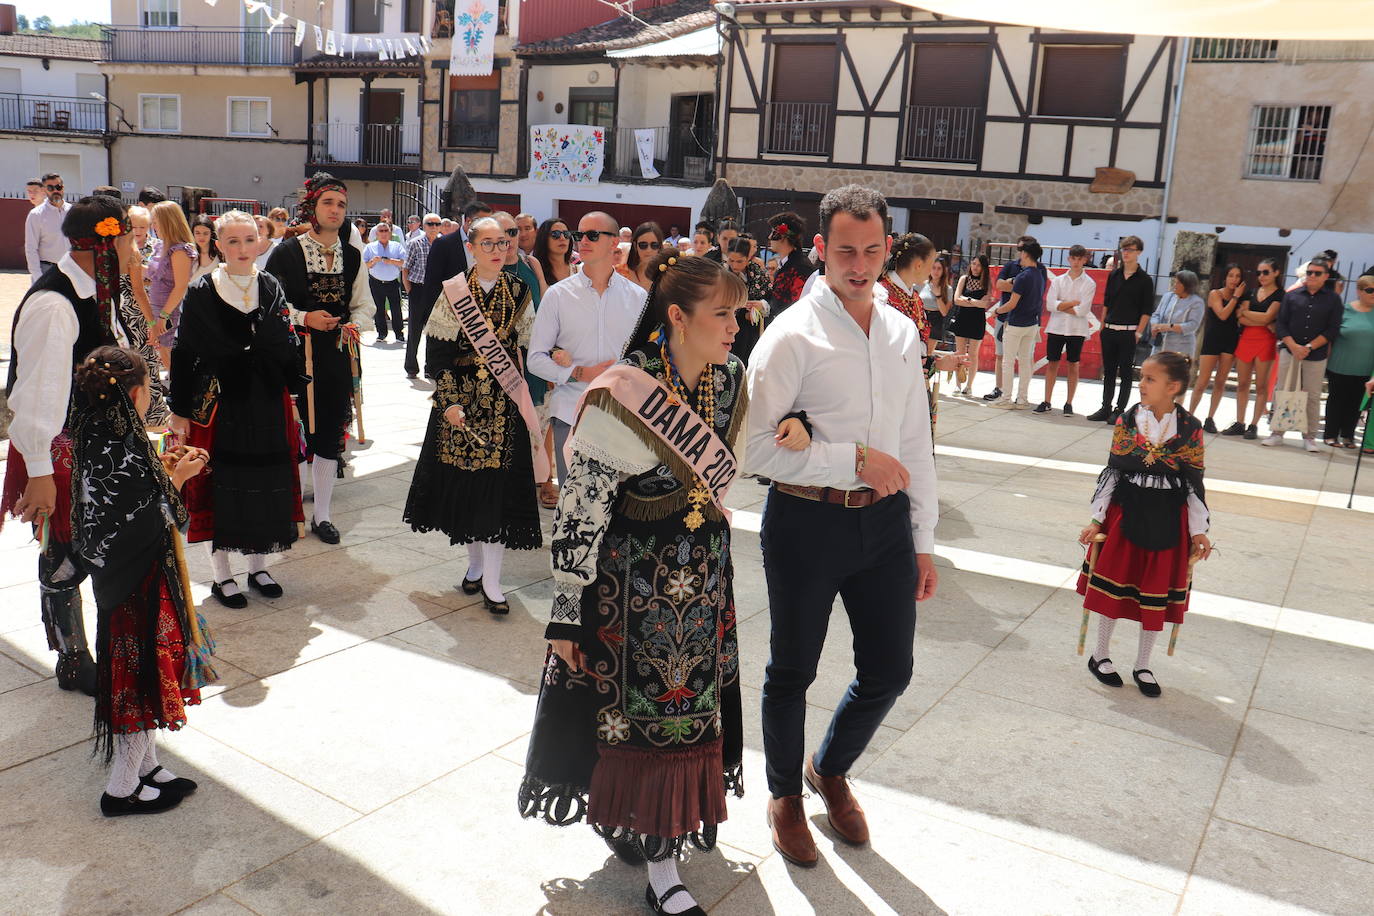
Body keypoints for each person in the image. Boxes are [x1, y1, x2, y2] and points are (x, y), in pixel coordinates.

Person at [522, 252, 775, 916]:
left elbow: (737, 470)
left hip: (703, 589)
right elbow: (581, 508)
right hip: (630, 596)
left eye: (737, 313)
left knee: (692, 721)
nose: (733, 326)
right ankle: (660, 862)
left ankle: (658, 836)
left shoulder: (732, 382)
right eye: (720, 314)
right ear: (676, 317)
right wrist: (567, 612)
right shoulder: (624, 390)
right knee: (634, 726)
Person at [747, 185, 939, 868]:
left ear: (889, 248)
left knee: (890, 669)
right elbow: (754, 449)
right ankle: (783, 797)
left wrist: (923, 540)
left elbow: (916, 442)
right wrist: (851, 458)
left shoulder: (900, 330)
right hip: (805, 522)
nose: (860, 265)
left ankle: (827, 768)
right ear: (822, 250)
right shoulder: (791, 334)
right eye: (846, 251)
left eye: (873, 250)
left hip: (885, 526)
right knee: (791, 670)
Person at [68, 346, 213, 816]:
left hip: (119, 575)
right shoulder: (122, 442)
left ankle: (147, 766)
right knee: (140, 674)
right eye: (147, 387)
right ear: (132, 394)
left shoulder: (95, 430)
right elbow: (152, 514)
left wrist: (166, 471)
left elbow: (126, 499)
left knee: (139, 668)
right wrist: (183, 477)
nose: (149, 394)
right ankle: (121, 787)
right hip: (138, 580)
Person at [3, 195, 136, 697]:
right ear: (109, 241)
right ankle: (73, 658)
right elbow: (36, 393)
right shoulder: (55, 303)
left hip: (94, 444)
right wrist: (39, 471)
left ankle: (96, 647)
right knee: (63, 554)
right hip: (59, 451)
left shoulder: (96, 292)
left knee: (95, 548)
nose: (135, 249)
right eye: (130, 238)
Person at [403, 217, 542, 612]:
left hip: (502, 404)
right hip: (460, 405)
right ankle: (475, 566)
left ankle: (494, 584)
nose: (498, 251)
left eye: (504, 242)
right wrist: (448, 402)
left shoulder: (519, 291)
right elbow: (438, 355)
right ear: (472, 248)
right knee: (467, 489)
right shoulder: (453, 292)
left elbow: (530, 346)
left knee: (496, 493)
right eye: (489, 244)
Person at [169, 210, 305, 606]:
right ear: (218, 244)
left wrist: (293, 387)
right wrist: (179, 408)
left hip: (265, 400)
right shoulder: (201, 289)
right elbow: (185, 351)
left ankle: (258, 566)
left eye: (249, 239)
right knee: (220, 485)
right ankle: (222, 574)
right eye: (232, 241)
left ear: (261, 242)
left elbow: (284, 341)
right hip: (219, 403)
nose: (242, 248)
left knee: (263, 484)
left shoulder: (271, 284)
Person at [1078, 351, 1211, 698]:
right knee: (1115, 586)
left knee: (1155, 593)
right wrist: (1096, 518)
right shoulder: (1127, 421)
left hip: (1169, 516)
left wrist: (1199, 530)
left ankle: (1143, 663)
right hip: (1128, 510)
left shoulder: (1190, 430)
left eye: (1150, 379)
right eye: (1143, 377)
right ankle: (1100, 654)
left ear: (1173, 387)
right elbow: (1112, 472)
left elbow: (1194, 483)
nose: (1142, 384)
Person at [265, 172, 374, 542]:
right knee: (291, 436)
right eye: (328, 202)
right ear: (312, 207)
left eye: (341, 204)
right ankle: (290, 511)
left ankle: (323, 515)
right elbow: (270, 306)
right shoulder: (285, 253)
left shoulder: (355, 257)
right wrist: (304, 318)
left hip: (336, 356)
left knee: (328, 436)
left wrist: (354, 326)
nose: (335, 210)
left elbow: (363, 306)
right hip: (292, 355)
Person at [528, 212, 643, 484]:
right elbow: (535, 359)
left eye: (593, 235)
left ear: (614, 242)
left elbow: (647, 360)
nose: (582, 241)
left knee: (618, 506)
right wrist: (580, 373)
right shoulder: (558, 295)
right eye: (579, 235)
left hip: (623, 415)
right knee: (573, 506)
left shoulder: (637, 297)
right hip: (571, 411)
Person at [1264, 258, 1344, 451]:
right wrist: (1293, 346)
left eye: (1317, 273)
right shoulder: (1292, 296)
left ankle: (1309, 436)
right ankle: (1277, 432)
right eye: (1309, 272)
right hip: (1290, 351)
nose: (1312, 276)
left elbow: (1332, 329)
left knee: (1312, 395)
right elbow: (1281, 324)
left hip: (1315, 354)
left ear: (1326, 276)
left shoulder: (1333, 299)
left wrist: (1308, 347)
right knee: (1283, 390)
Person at [415, 202, 489, 378]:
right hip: (450, 317)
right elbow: (432, 284)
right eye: (484, 221)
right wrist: (434, 318)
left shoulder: (489, 246)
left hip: (481, 319)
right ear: (470, 221)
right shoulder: (444, 244)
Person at [1088, 236, 1155, 423]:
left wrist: (1138, 333)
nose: (1126, 253)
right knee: (1108, 371)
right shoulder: (1114, 275)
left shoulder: (1145, 280)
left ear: (1139, 252)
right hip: (1109, 329)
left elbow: (1146, 310)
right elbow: (1107, 302)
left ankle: (1120, 410)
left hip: (1129, 331)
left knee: (1125, 372)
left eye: (1130, 250)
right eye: (1123, 250)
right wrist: (1102, 326)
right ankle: (1105, 407)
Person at [115, 205, 170, 427]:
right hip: (134, 315)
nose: (137, 231)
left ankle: (143, 415)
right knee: (143, 363)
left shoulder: (113, 249)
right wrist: (152, 323)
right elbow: (138, 290)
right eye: (133, 226)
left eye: (142, 226)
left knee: (141, 363)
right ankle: (147, 416)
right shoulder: (130, 252)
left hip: (128, 312)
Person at [1224, 258, 1284, 440]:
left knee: (1261, 386)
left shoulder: (1280, 294)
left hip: (1266, 341)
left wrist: (1246, 313)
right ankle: (1240, 422)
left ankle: (1254, 424)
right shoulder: (1251, 292)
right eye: (1258, 272)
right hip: (1247, 338)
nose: (1261, 276)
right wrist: (1254, 317)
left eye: (1266, 272)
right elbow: (1240, 319)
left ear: (1276, 273)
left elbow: (1267, 317)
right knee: (1242, 384)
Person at [1037, 245, 1096, 414]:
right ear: (1069, 259)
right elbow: (1049, 305)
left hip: (1077, 329)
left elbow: (1082, 311)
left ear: (1085, 260)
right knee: (1052, 363)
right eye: (1074, 258)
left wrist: (1061, 304)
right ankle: (1047, 400)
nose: (1076, 262)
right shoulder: (1058, 281)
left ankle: (1069, 403)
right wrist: (1072, 303)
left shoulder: (1089, 283)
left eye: (1080, 259)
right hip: (1056, 327)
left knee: (1073, 364)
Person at [1189, 264, 1247, 431]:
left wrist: (1239, 300)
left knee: (1220, 381)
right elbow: (1222, 315)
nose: (1234, 280)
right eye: (1231, 275)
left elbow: (1241, 317)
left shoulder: (1242, 298)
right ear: (1225, 277)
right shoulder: (1215, 293)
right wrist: (1235, 298)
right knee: (1202, 381)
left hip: (1230, 340)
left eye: (1237, 276)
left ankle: (1210, 418)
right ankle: (1190, 416)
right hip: (1213, 339)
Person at [992, 239, 1046, 409]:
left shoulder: (1023, 276)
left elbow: (1011, 304)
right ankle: (1022, 399)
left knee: (1007, 362)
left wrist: (997, 311)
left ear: (1025, 254)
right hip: (1031, 323)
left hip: (1016, 323)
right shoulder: (1040, 274)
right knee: (1025, 362)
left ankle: (1006, 398)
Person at [145, 201, 198, 373]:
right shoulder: (162, 245)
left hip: (170, 311)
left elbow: (181, 286)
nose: (153, 226)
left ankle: (181, 393)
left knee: (170, 356)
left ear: (167, 222)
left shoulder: (180, 250)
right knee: (163, 354)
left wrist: (163, 315)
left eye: (156, 222)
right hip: (159, 310)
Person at [983, 235, 1038, 402]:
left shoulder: (1035, 270)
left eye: (1023, 249)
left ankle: (1013, 396)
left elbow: (1022, 293)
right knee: (1004, 356)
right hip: (1012, 318)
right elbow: (999, 285)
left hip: (1017, 317)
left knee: (1021, 359)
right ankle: (1005, 391)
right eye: (1019, 248)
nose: (1020, 252)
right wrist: (1018, 283)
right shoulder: (1013, 266)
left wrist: (1015, 284)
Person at [1321, 275, 1374, 448]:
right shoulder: (1344, 310)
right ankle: (1330, 435)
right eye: (1370, 290)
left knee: (1356, 403)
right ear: (1359, 291)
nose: (1373, 294)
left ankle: (1348, 436)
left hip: (1365, 368)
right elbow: (1330, 335)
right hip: (1340, 365)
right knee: (1336, 400)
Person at [402, 213, 442, 375]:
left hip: (437, 291)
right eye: (430, 224)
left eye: (437, 224)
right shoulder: (415, 243)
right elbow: (405, 268)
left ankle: (430, 367)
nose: (433, 227)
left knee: (434, 331)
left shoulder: (443, 243)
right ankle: (411, 367)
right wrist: (409, 290)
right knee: (414, 330)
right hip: (418, 290)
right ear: (424, 226)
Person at [950, 253, 991, 397]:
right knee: (960, 353)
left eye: (979, 265)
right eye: (973, 264)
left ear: (983, 268)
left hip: (977, 320)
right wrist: (975, 302)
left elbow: (985, 304)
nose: (975, 267)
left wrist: (967, 300)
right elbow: (956, 300)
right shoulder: (964, 279)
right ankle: (957, 384)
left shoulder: (986, 283)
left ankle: (969, 386)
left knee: (973, 354)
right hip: (962, 318)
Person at [726, 237, 771, 364]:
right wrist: (741, 313)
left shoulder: (757, 272)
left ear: (748, 258)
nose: (734, 265)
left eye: (740, 261)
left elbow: (769, 295)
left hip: (752, 329)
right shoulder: (722, 274)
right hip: (729, 326)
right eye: (731, 260)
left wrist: (761, 305)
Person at [765, 211, 815, 320]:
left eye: (773, 232)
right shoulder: (787, 264)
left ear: (782, 236)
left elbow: (799, 307)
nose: (769, 237)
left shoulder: (801, 268)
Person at [363, 222, 407, 342]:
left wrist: (392, 261)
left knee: (396, 308)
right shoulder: (370, 247)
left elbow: (404, 262)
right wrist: (373, 262)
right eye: (381, 231)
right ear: (376, 233)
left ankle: (399, 334)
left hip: (392, 282)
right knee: (378, 309)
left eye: (385, 231)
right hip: (376, 282)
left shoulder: (396, 246)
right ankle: (381, 333)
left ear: (390, 233)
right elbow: (364, 265)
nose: (383, 233)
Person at [25, 172, 71, 281]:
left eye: (58, 187)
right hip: (47, 270)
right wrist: (37, 276)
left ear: (63, 188)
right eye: (50, 187)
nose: (55, 191)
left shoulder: (73, 212)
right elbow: (31, 248)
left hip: (70, 270)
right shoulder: (36, 215)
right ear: (45, 190)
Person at [1149, 270, 1204, 357]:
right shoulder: (1168, 296)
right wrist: (1154, 325)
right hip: (1160, 346)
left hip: (1181, 349)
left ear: (1187, 286)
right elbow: (1156, 314)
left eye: (1178, 283)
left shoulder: (1196, 302)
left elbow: (1193, 325)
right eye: (1175, 282)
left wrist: (1169, 327)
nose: (1175, 285)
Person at [920, 253, 953, 346]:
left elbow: (944, 312)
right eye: (933, 268)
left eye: (939, 268)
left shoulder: (948, 289)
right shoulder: (921, 284)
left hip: (936, 320)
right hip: (921, 317)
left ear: (943, 271)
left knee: (928, 354)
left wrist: (938, 296)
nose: (936, 271)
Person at [620, 221, 664, 290]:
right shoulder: (620, 272)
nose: (648, 250)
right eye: (643, 245)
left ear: (660, 246)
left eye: (654, 245)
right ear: (635, 246)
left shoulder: (667, 275)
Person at [532, 218, 573, 287]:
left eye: (566, 234)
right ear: (544, 238)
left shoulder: (579, 270)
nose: (562, 238)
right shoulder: (535, 272)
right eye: (555, 234)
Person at [188, 214, 220, 285]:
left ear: (211, 234)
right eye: (197, 233)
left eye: (205, 233)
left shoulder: (220, 254)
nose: (201, 237)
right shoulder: (188, 253)